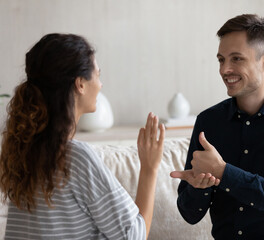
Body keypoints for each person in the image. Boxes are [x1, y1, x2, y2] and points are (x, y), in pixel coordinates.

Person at [170, 14, 264, 239]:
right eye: (221, 60)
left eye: (237, 59)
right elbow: (189, 214)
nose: (225, 69)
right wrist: (199, 188)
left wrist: (224, 172)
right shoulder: (209, 122)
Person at [0, 33, 165, 239]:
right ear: (80, 84)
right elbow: (133, 235)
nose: (101, 84)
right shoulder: (76, 158)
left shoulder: (21, 153)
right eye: (98, 75)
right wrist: (149, 169)